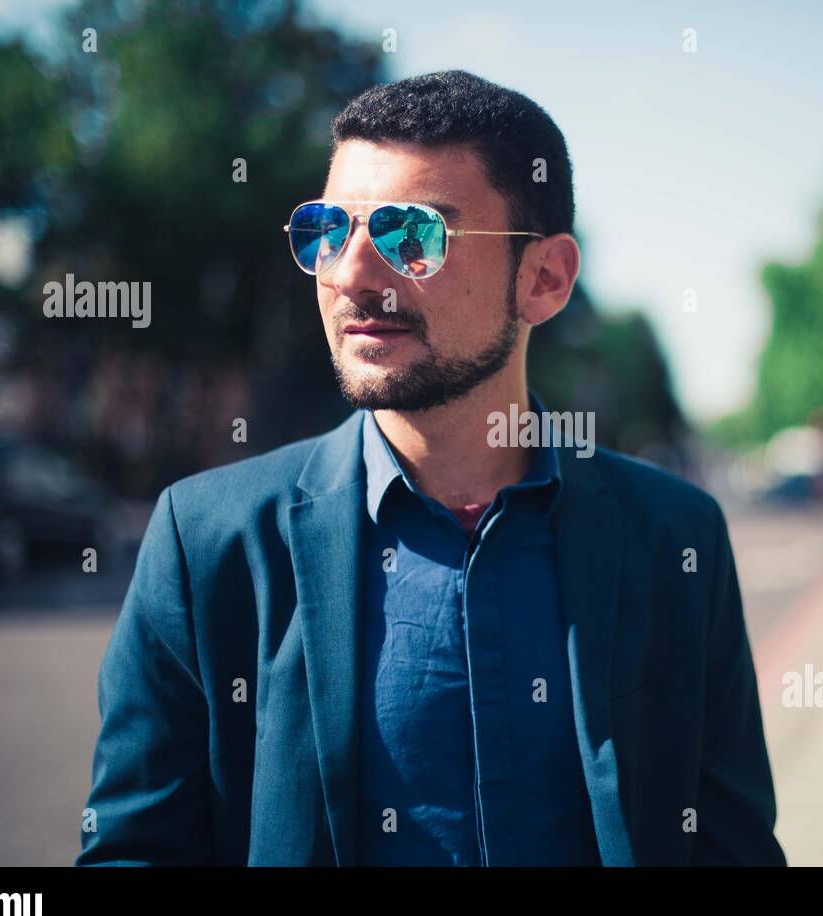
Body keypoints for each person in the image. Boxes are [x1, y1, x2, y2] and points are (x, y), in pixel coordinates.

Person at [77, 70, 784, 867]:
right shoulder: (207, 541)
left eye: (412, 235)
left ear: (544, 279)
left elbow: (732, 849)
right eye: (325, 232)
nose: (350, 275)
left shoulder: (675, 538)